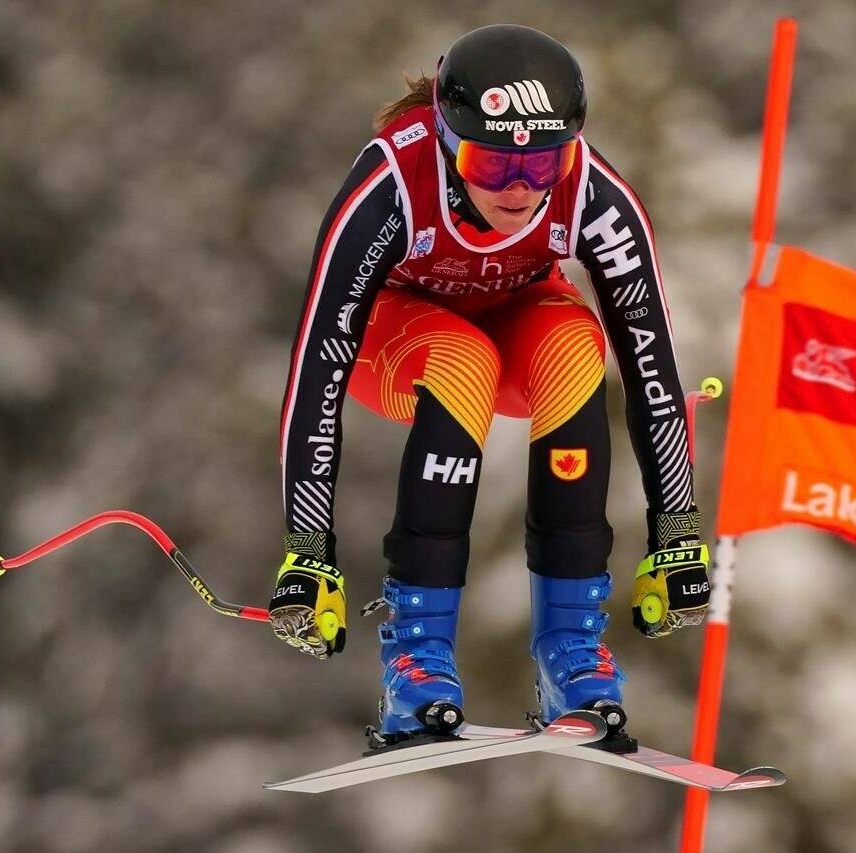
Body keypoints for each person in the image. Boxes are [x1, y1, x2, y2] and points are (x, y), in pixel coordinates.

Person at [268, 24, 709, 747]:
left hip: (519, 316)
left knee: (576, 347)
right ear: (446, 143)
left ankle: (572, 655)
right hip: (401, 335)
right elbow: (319, 362)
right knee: (462, 361)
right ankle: (417, 660)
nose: (519, 189)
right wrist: (307, 548)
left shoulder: (591, 192)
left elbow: (651, 360)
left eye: (542, 167)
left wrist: (677, 531)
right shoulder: (392, 181)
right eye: (493, 163)